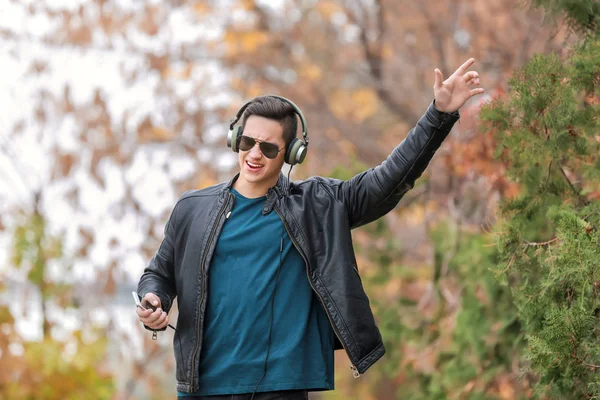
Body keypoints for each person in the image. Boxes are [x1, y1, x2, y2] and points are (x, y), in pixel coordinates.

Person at [136, 58, 484, 400]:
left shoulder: (317, 205)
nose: (254, 154)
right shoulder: (192, 208)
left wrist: (437, 115)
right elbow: (159, 275)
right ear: (234, 139)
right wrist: (154, 300)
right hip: (201, 387)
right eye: (247, 142)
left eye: (269, 148)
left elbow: (388, 180)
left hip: (280, 388)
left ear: (292, 154)